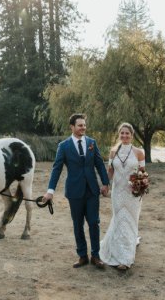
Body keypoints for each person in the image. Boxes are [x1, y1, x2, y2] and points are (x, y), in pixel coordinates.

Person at [42, 114, 110, 269]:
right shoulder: (64, 146)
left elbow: (99, 164)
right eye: (80, 125)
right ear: (72, 127)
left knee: (94, 223)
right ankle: (82, 256)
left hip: (92, 190)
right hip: (74, 192)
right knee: (77, 224)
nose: (83, 128)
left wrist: (105, 183)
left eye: (84, 125)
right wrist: (50, 191)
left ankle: (96, 256)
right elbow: (56, 169)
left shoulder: (92, 143)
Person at [99, 122, 146, 270]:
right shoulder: (113, 152)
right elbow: (111, 171)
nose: (124, 136)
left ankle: (126, 259)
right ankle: (119, 254)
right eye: (122, 133)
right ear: (119, 135)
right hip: (118, 192)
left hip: (132, 193)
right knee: (119, 219)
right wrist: (105, 184)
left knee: (131, 221)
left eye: (127, 133)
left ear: (132, 135)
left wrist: (141, 184)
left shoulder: (139, 152)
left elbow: (143, 171)